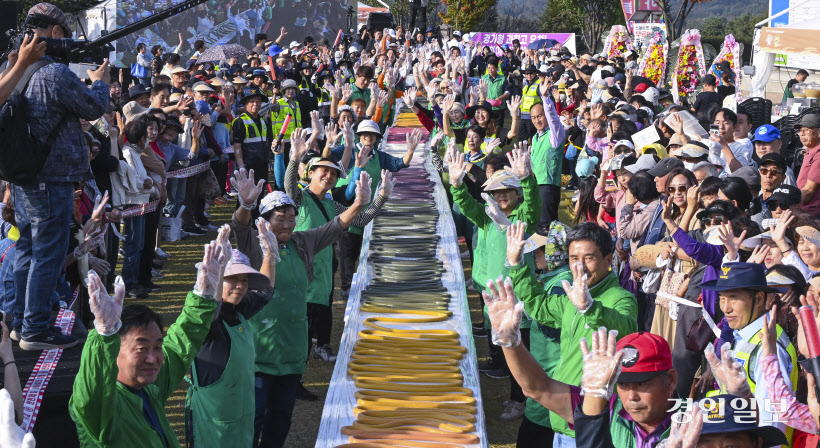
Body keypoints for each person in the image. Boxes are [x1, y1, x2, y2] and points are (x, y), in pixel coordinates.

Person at [230, 168, 370, 447]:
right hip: (259, 350)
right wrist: (245, 205)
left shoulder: (301, 243)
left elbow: (335, 227)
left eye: (292, 219)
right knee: (253, 416)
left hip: (292, 348)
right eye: (280, 220)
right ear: (265, 221)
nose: (287, 225)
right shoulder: (254, 244)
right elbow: (240, 226)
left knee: (281, 416)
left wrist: (358, 204)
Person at [13, 2, 110, 350]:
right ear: (55, 33)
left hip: (23, 176)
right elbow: (93, 108)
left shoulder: (15, 68)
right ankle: (36, 329)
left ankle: (19, 319)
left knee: (26, 248)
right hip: (50, 178)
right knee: (48, 255)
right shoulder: (53, 73)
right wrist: (101, 84)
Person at [69, 239, 224, 447]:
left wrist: (202, 295)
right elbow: (89, 395)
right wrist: (104, 336)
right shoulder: (103, 410)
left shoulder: (150, 387)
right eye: (141, 348)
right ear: (114, 352)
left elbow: (180, 345)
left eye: (157, 347)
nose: (153, 359)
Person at [506, 220, 638, 446]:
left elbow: (625, 329)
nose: (580, 267)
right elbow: (539, 305)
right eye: (574, 259)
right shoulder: (573, 296)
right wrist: (517, 264)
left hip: (591, 417)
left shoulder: (620, 298)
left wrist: (590, 308)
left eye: (589, 258)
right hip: (561, 415)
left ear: (608, 259)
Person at [186, 226, 276, 448]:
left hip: (241, 418)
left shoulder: (239, 311)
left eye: (244, 280)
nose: (240, 285)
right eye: (232, 278)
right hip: (212, 426)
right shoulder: (210, 322)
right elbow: (210, 306)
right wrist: (215, 273)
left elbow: (265, 292)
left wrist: (270, 255)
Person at [701, 262, 799, 439]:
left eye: (733, 298)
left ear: (759, 299)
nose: (726, 308)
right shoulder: (743, 336)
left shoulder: (769, 347)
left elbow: (772, 421)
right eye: (722, 298)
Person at [232, 87, 271, 211]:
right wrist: (241, 166)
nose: (256, 104)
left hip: (262, 164)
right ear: (246, 104)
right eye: (252, 102)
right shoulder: (240, 121)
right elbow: (237, 146)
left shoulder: (263, 121)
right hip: (248, 166)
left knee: (260, 195)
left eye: (258, 101)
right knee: (245, 198)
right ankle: (241, 223)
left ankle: (256, 222)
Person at [794, 113, 820, 214]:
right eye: (800, 130)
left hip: (811, 213)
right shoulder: (810, 150)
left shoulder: (818, 154)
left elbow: (809, 190)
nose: (802, 133)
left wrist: (794, 208)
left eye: (807, 129)